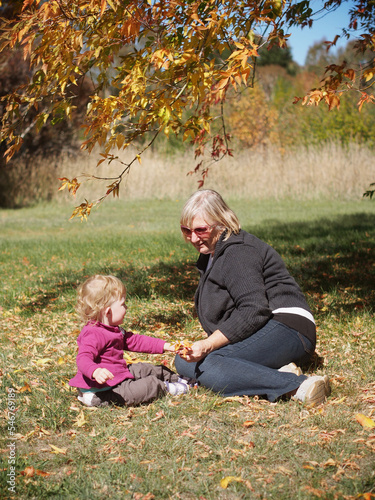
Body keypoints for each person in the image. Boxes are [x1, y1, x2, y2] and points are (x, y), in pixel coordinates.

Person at [174, 189, 331, 405]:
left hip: (290, 328)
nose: (193, 238)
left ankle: (298, 386)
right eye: (186, 230)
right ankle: (277, 370)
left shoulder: (238, 251)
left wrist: (209, 344)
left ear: (221, 222)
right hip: (265, 327)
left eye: (200, 230)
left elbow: (253, 310)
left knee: (210, 365)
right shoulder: (212, 253)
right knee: (185, 362)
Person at [69, 274, 193, 407]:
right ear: (108, 312)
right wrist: (95, 371)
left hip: (118, 373)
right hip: (103, 389)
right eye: (123, 304)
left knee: (148, 369)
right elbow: (83, 358)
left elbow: (137, 341)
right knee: (148, 385)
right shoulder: (93, 334)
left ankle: (179, 379)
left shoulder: (112, 328)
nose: (126, 308)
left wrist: (166, 346)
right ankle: (167, 388)